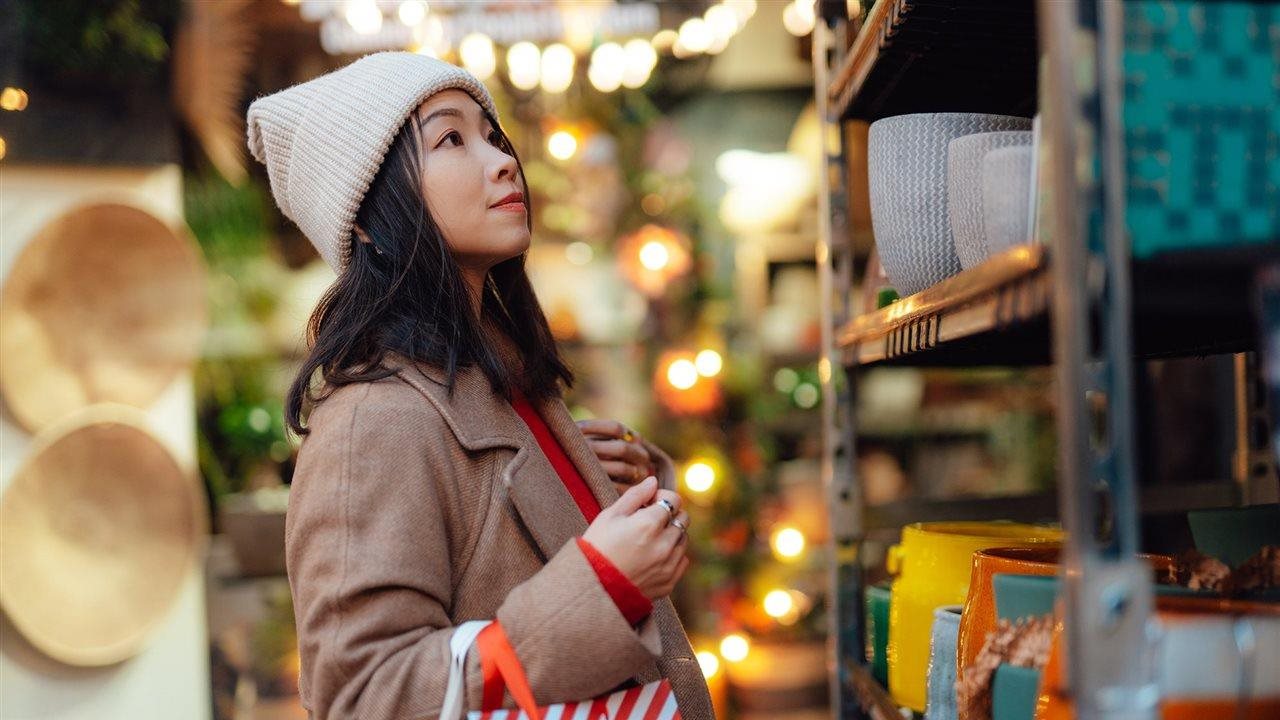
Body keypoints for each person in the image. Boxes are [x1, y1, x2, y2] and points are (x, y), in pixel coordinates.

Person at [245, 52, 714, 720]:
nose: (501, 161)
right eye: (450, 140)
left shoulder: (502, 380)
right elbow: (359, 695)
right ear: (370, 214)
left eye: (491, 136)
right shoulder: (371, 419)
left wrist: (600, 483)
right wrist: (602, 584)